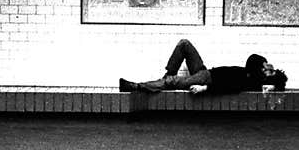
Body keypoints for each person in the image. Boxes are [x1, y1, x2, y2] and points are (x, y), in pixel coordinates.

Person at [119, 38, 287, 94]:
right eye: (266, 68)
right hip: (205, 72)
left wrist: (204, 89)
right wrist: (265, 66)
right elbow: (252, 59)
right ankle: (167, 77)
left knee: (173, 82)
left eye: (268, 71)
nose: (266, 69)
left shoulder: (253, 82)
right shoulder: (253, 71)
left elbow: (227, 88)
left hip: (206, 80)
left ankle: (136, 87)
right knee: (184, 44)